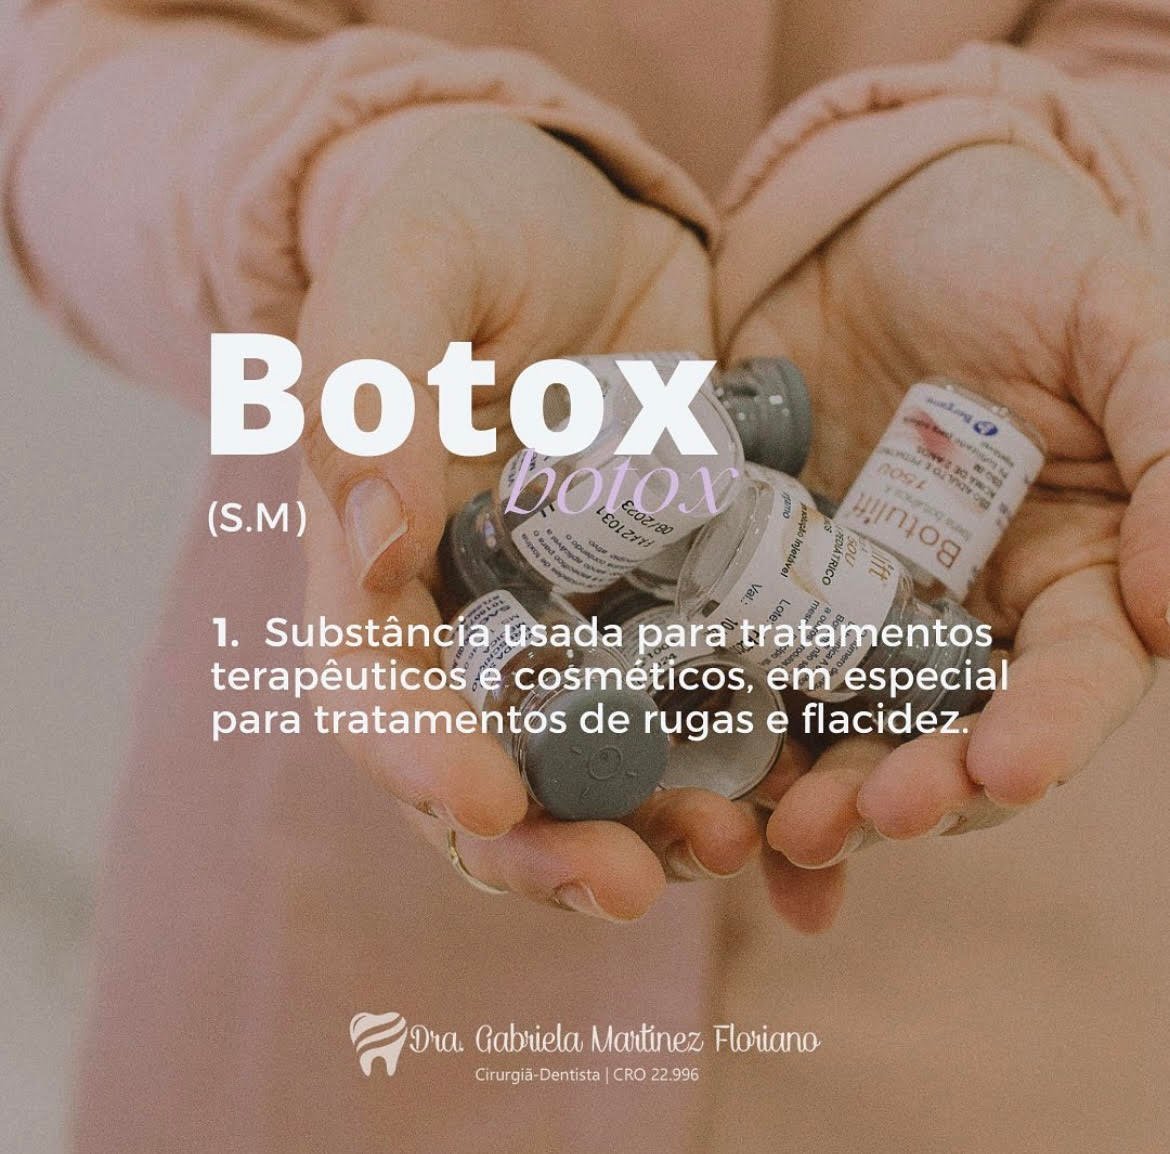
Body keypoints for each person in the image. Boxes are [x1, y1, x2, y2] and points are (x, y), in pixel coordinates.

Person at [3, 0, 1169, 1149]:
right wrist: (350, 181)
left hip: (1003, 896)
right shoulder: (547, 576)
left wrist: (1080, 175)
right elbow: (68, 72)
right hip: (368, 726)